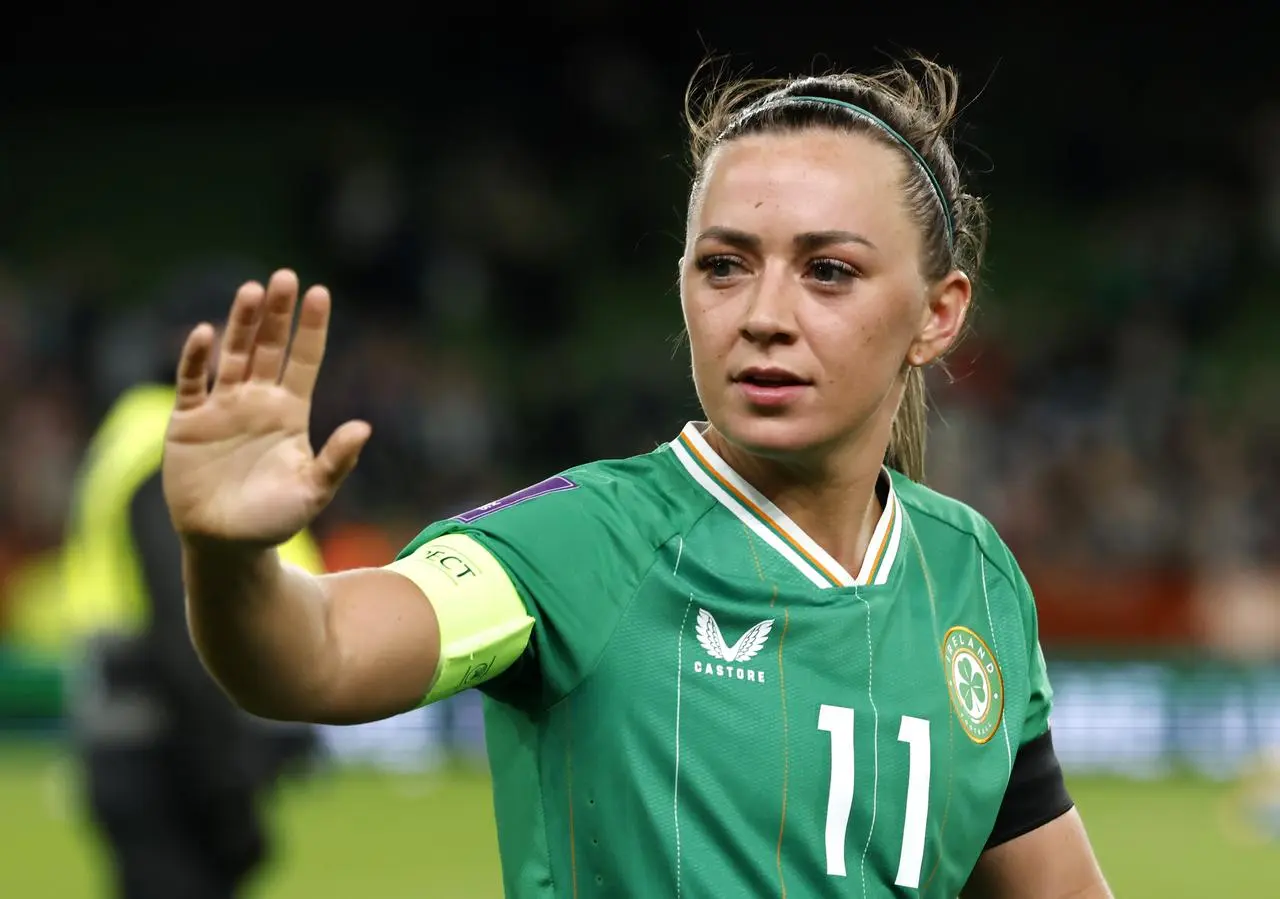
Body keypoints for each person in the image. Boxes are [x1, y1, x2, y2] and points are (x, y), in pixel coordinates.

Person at [162, 56, 1114, 898]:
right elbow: (311, 652)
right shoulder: (584, 542)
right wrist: (227, 554)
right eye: (725, 266)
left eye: (828, 271)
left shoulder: (972, 575)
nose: (765, 315)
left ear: (939, 315)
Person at [62, 274, 324, 899]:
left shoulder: (136, 429)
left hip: (139, 737)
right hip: (172, 751)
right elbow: (185, 625)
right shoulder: (175, 445)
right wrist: (228, 788)